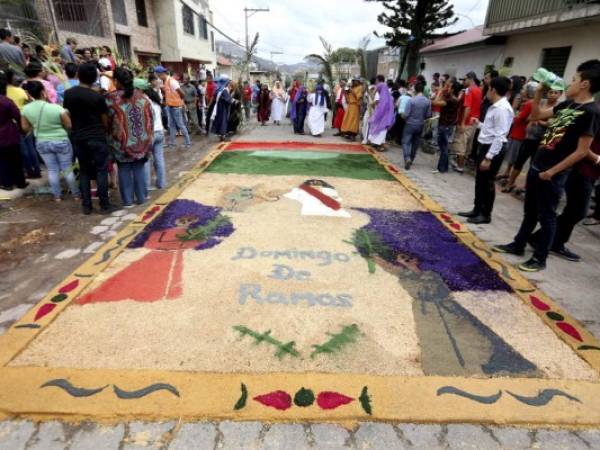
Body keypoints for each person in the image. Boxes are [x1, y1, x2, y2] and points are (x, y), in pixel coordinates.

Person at [493, 60, 600, 272]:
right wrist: (539, 93)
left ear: (585, 84)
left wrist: (552, 172)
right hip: (538, 165)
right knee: (530, 211)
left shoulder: (591, 112)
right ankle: (518, 244)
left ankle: (540, 258)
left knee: (547, 216)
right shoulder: (568, 104)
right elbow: (535, 116)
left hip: (552, 173)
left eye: (574, 80)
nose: (569, 84)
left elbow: (581, 151)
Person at [458, 76, 514, 224]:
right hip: (486, 146)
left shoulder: (502, 109)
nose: (486, 91)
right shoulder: (494, 106)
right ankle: (477, 209)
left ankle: (485, 214)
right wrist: (479, 124)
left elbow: (500, 136)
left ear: (493, 90)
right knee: (480, 180)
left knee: (487, 182)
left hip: (493, 150)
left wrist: (489, 157)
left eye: (488, 88)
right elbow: (491, 130)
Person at [63, 63, 114, 214]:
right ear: (94, 78)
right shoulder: (97, 97)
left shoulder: (69, 94)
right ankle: (104, 205)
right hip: (97, 136)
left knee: (84, 171)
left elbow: (69, 113)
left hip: (79, 137)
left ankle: (87, 206)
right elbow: (105, 120)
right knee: (101, 170)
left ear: (78, 75)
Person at [21, 80, 80, 202]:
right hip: (61, 140)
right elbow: (69, 124)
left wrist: (36, 126)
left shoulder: (25, 109)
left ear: (30, 94)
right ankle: (76, 194)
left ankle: (57, 196)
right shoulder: (56, 108)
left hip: (42, 142)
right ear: (43, 92)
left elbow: (25, 128)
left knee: (52, 170)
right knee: (67, 168)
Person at [106, 68, 153, 207]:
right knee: (139, 168)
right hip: (141, 140)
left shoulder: (110, 98)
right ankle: (142, 197)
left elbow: (106, 120)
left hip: (121, 142)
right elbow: (150, 117)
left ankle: (127, 201)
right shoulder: (142, 96)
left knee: (124, 169)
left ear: (115, 81)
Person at [506, 88, 562, 192]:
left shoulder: (560, 107)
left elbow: (553, 124)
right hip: (529, 137)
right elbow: (530, 117)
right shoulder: (541, 102)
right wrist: (537, 120)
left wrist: (540, 120)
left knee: (534, 165)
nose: (552, 95)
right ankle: (510, 183)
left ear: (560, 94)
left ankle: (527, 187)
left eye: (555, 93)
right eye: (550, 92)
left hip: (542, 141)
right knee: (519, 161)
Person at [498, 81, 537, 191]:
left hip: (519, 133)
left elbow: (518, 118)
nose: (521, 91)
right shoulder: (526, 103)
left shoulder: (529, 104)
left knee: (515, 157)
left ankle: (511, 179)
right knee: (512, 156)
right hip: (517, 132)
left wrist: (514, 110)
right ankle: (507, 173)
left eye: (524, 89)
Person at [0, 71, 28, 191]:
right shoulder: (6, 101)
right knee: (16, 159)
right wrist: (22, 130)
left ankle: (7, 183)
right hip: (10, 133)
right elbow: (17, 115)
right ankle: (20, 182)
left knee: (2, 161)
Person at [155, 65, 191, 149]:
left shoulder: (172, 81)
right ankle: (172, 143)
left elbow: (182, 93)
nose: (158, 77)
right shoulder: (166, 81)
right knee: (172, 125)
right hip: (170, 107)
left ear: (162, 73)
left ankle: (188, 143)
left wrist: (180, 103)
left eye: (158, 75)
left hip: (176, 107)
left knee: (180, 125)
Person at [452, 72, 482, 172]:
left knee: (461, 144)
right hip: (474, 121)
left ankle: (460, 166)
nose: (463, 82)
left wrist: (462, 123)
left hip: (467, 121)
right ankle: (460, 164)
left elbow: (467, 107)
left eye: (465, 80)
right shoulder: (479, 90)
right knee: (468, 145)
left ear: (470, 79)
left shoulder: (469, 90)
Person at [401, 82, 432, 169]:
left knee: (405, 142)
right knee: (415, 143)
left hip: (410, 124)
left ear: (415, 90)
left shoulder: (411, 100)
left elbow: (406, 114)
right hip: (420, 124)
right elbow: (428, 115)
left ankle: (407, 158)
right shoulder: (428, 101)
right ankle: (411, 158)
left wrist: (402, 116)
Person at [432, 80, 461, 173]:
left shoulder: (451, 100)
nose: (447, 88)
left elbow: (435, 102)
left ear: (452, 89)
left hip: (445, 125)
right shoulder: (454, 99)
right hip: (448, 125)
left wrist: (440, 91)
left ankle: (442, 168)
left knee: (443, 147)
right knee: (444, 147)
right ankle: (444, 167)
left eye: (449, 87)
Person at [144, 87, 167, 192]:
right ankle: (161, 183)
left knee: (147, 160)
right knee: (159, 158)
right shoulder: (157, 105)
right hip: (160, 132)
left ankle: (146, 186)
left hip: (151, 133)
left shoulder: (146, 105)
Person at [367, 75, 396, 150]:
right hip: (385, 113)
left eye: (376, 80)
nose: (375, 82)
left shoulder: (381, 85)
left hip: (384, 114)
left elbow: (374, 94)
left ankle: (379, 144)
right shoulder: (386, 93)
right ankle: (378, 143)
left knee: (381, 128)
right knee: (381, 128)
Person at [211, 75, 235, 141]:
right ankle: (223, 136)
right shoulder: (224, 90)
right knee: (223, 121)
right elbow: (228, 99)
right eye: (227, 82)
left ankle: (220, 135)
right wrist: (233, 100)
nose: (228, 83)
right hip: (223, 108)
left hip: (218, 108)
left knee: (218, 120)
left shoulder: (217, 89)